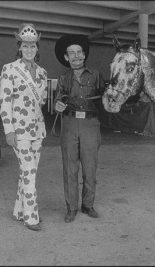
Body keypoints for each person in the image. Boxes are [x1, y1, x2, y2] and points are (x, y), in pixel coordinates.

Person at [0, 23, 48, 231]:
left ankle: (19, 211)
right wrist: (8, 130)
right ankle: (31, 216)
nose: (29, 50)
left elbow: (42, 101)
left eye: (33, 46)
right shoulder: (10, 69)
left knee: (29, 172)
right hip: (19, 131)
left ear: (37, 49)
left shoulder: (43, 73)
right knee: (28, 172)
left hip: (38, 130)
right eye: (25, 46)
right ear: (19, 47)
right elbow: (4, 101)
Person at [54, 34, 106, 223]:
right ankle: (71, 208)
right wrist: (58, 105)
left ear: (84, 55)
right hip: (69, 124)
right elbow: (58, 98)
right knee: (70, 168)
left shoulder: (97, 75)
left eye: (79, 52)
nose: (76, 56)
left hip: (91, 125)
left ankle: (88, 205)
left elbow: (105, 99)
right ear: (66, 57)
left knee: (90, 168)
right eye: (71, 53)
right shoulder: (63, 78)